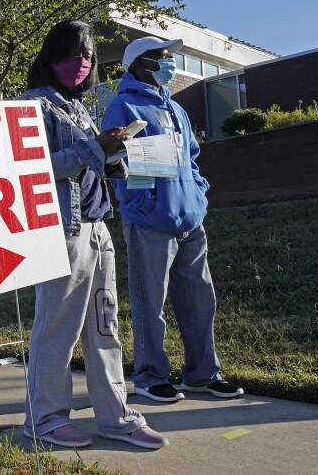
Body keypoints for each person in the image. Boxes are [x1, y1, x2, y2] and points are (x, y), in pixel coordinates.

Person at [18, 21, 166, 449]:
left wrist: (113, 158)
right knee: (57, 327)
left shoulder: (78, 108)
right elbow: (36, 171)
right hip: (62, 230)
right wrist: (95, 149)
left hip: (99, 227)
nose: (81, 64)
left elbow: (87, 164)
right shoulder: (32, 105)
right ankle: (44, 417)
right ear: (50, 57)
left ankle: (115, 414)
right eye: (71, 54)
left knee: (105, 324)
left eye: (87, 56)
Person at [101, 36, 243, 402]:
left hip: (190, 220)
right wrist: (143, 204)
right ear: (140, 64)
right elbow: (116, 162)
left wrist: (199, 192)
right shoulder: (123, 106)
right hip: (149, 222)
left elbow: (191, 157)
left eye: (169, 58)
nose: (169, 64)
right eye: (162, 58)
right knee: (151, 302)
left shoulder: (176, 109)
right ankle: (150, 376)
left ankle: (202, 374)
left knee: (199, 301)